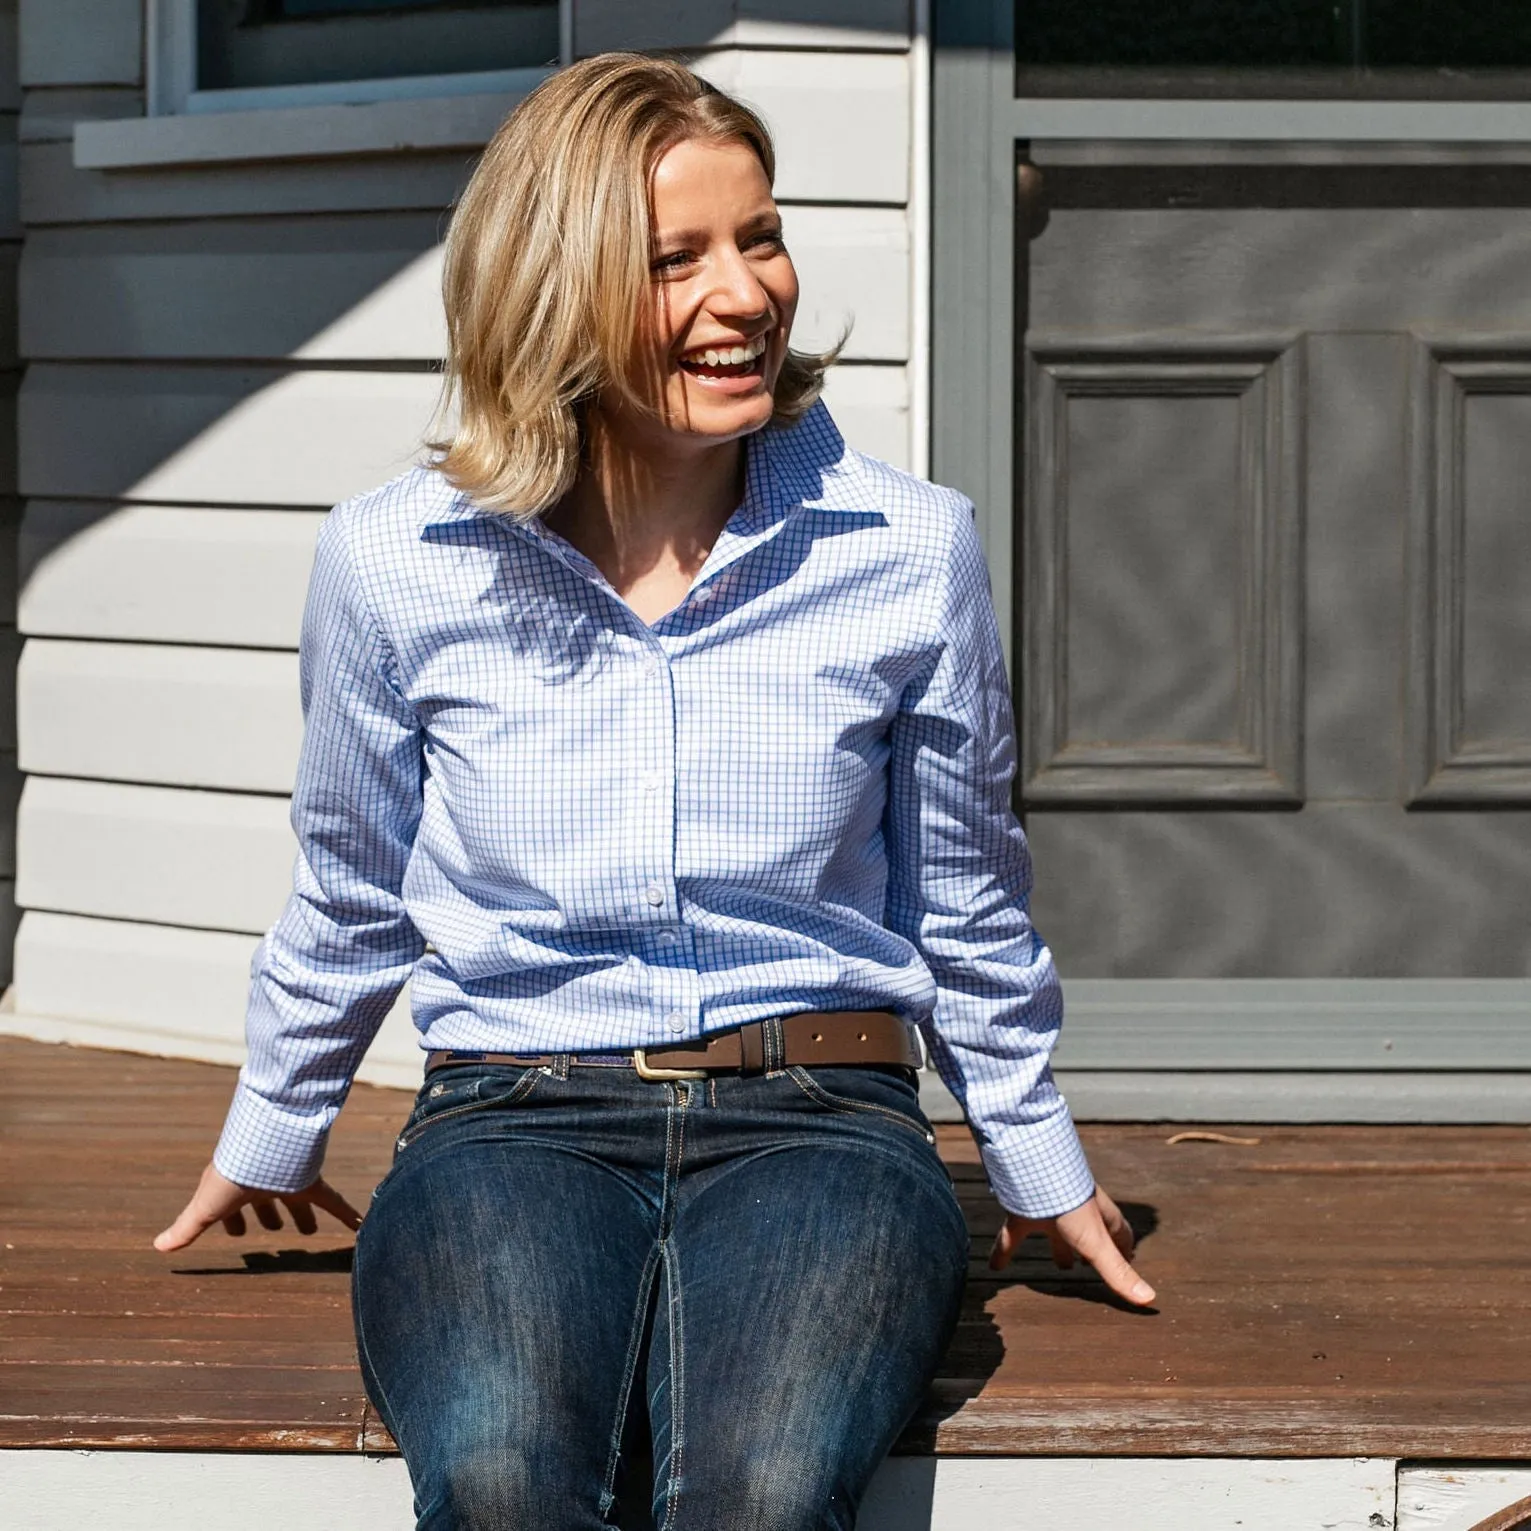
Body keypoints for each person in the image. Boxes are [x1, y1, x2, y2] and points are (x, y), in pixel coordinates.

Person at [154, 52, 1154, 1530]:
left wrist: (1031, 1152)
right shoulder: (395, 560)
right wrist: (275, 1121)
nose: (746, 293)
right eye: (673, 257)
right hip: (511, 1113)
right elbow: (351, 878)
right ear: (547, 290)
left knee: (758, 1494)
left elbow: (965, 899)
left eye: (759, 236)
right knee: (499, 1482)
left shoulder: (904, 549)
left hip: (820, 1112)